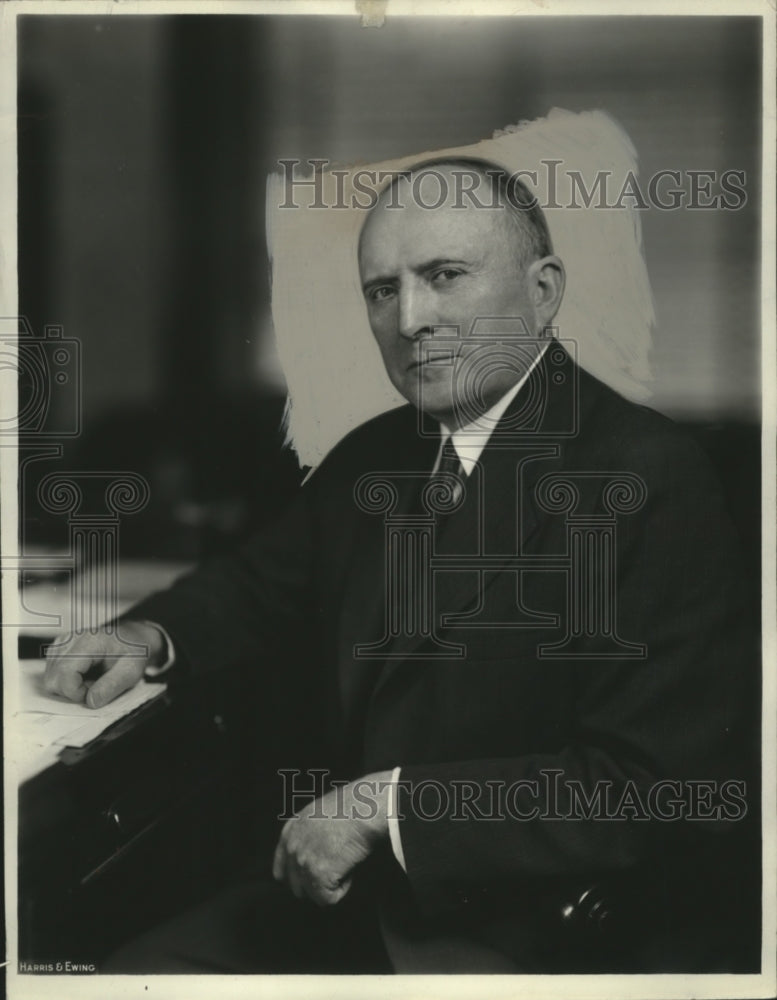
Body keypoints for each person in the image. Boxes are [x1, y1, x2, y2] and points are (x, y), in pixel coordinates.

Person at [43, 158, 757, 973]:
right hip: (352, 902)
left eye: (443, 276)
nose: (409, 318)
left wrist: (384, 808)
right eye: (381, 290)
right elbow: (258, 584)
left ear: (544, 290)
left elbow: (653, 786)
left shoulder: (650, 473)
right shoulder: (376, 454)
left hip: (532, 935)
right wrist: (152, 632)